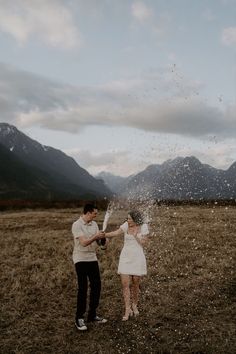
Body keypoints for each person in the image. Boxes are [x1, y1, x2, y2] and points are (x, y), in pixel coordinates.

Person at [104, 210, 149, 321]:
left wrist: (135, 236)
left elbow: (144, 243)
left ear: (135, 219)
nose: (128, 220)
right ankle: (127, 309)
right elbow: (115, 233)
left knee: (135, 283)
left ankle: (134, 304)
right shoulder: (126, 225)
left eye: (130, 219)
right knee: (125, 284)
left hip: (137, 257)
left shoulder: (143, 227)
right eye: (127, 218)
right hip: (125, 257)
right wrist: (103, 234)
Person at [72, 203, 107, 331]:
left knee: (96, 285)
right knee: (83, 287)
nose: (96, 216)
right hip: (80, 258)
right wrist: (96, 236)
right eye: (94, 213)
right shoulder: (77, 224)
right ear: (87, 213)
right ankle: (79, 318)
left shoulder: (94, 224)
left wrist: (103, 239)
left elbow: (100, 244)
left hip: (92, 258)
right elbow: (83, 243)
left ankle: (92, 314)